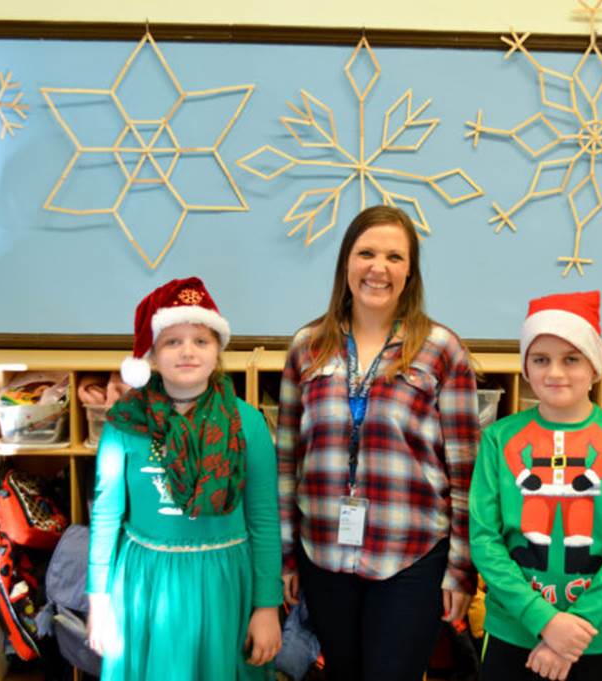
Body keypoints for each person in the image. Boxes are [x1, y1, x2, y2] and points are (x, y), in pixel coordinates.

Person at [276, 205, 480, 681]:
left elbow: (465, 473)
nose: (378, 268)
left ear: (410, 271)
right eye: (366, 253)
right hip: (323, 549)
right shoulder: (307, 347)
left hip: (410, 550)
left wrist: (460, 571)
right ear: (346, 261)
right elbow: (288, 463)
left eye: (394, 256)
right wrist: (287, 558)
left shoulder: (441, 349)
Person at [86, 277, 282, 681]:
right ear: (153, 355)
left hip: (225, 584)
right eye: (173, 341)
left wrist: (266, 607)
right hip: (146, 583)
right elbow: (105, 515)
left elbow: (263, 519)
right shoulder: (124, 425)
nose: (187, 351)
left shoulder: (248, 423)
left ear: (218, 351)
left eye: (201, 341)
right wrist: (99, 602)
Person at [469, 291, 602, 681]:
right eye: (541, 359)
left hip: (592, 636)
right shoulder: (499, 439)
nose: (555, 372)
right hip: (512, 631)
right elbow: (485, 539)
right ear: (526, 369)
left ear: (595, 366)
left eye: (571, 358)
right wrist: (545, 621)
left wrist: (575, 626)